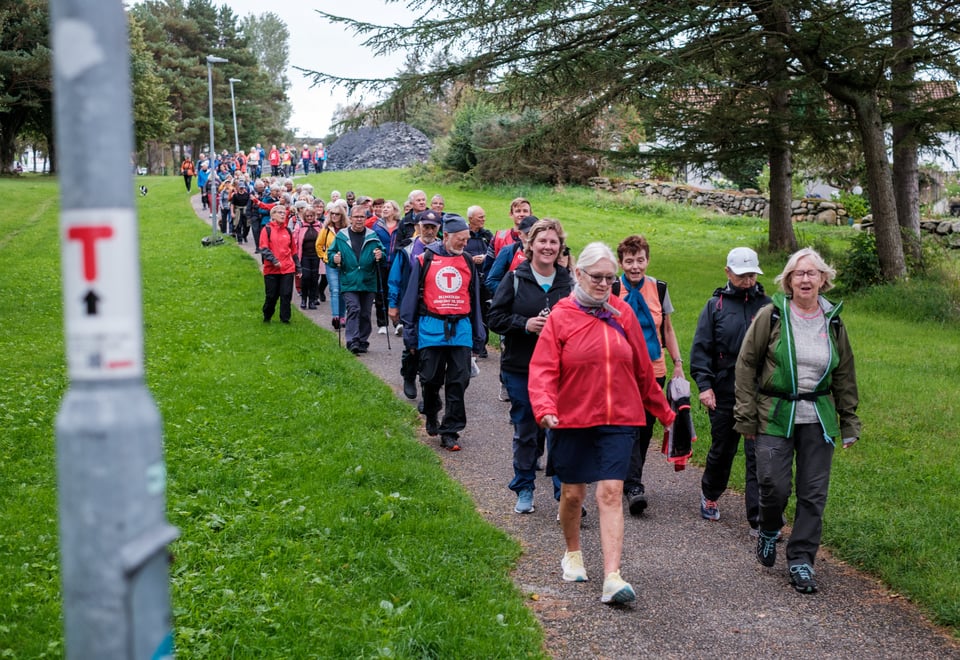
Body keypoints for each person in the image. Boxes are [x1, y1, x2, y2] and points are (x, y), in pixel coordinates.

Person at [528, 242, 675, 605]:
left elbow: (643, 372)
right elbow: (543, 369)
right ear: (579, 274)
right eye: (597, 277)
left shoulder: (623, 314)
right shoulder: (561, 316)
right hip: (573, 417)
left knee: (610, 492)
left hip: (620, 417)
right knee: (573, 494)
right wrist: (544, 407)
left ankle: (612, 576)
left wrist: (667, 415)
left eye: (610, 278)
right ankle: (573, 552)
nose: (604, 284)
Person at [735, 247, 859, 594]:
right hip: (774, 413)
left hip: (818, 417)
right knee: (773, 486)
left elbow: (845, 374)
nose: (805, 279)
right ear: (788, 280)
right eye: (798, 273)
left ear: (823, 279)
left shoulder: (833, 320)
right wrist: (746, 414)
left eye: (812, 273)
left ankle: (802, 560)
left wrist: (849, 421)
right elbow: (746, 364)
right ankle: (769, 528)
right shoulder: (772, 315)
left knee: (813, 493)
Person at [488, 219, 573, 514]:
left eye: (553, 242)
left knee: (559, 432)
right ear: (531, 245)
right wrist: (524, 324)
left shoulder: (569, 283)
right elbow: (494, 318)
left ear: (560, 247)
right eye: (542, 241)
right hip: (521, 368)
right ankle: (524, 487)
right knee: (526, 431)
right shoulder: (515, 278)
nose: (548, 247)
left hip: (560, 371)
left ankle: (565, 495)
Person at [689, 247, 771, 529]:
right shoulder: (716, 306)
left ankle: (759, 518)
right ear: (728, 272)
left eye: (752, 275)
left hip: (759, 392)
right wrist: (705, 386)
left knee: (758, 454)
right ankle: (710, 494)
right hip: (725, 389)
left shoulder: (768, 306)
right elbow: (701, 349)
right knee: (723, 449)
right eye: (741, 275)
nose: (747, 281)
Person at [400, 215, 485, 451]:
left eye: (467, 239)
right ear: (446, 236)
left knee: (459, 381)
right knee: (429, 379)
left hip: (461, 329)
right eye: (461, 239)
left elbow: (475, 300)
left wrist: (478, 336)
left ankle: (450, 430)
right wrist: (410, 335)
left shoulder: (467, 261)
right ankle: (431, 411)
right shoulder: (424, 259)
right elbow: (411, 299)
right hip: (431, 328)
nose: (465, 244)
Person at [615, 235, 685, 516]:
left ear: (648, 260)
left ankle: (630, 478)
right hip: (622, 369)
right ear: (621, 262)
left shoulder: (659, 288)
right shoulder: (612, 288)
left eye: (640, 260)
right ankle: (634, 486)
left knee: (645, 428)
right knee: (629, 426)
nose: (635, 266)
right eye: (629, 261)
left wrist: (678, 363)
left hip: (654, 369)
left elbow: (667, 329)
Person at [388, 210, 442, 400]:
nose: (429, 231)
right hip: (411, 305)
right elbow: (395, 279)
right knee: (412, 345)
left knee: (433, 347)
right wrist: (393, 304)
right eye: (426, 227)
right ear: (418, 227)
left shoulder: (443, 249)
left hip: (435, 307)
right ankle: (409, 376)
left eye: (433, 227)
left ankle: (429, 384)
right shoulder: (407, 250)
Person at [327, 205, 384, 354]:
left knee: (365, 313)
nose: (359, 220)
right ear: (350, 218)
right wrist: (334, 258)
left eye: (362, 217)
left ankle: (362, 340)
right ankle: (352, 340)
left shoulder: (372, 235)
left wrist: (380, 255)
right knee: (354, 308)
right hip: (349, 280)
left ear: (366, 218)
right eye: (356, 217)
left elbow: (382, 253)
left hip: (368, 280)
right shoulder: (341, 236)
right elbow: (331, 254)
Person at [259, 205, 299, 323]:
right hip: (271, 269)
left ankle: (285, 319)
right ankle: (267, 316)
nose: (283, 215)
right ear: (273, 215)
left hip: (287, 268)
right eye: (280, 212)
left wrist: (298, 267)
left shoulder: (288, 231)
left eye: (284, 213)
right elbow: (264, 248)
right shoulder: (267, 230)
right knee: (272, 296)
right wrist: (274, 260)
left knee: (286, 294)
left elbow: (293, 250)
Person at [465, 205, 493, 358]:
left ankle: (482, 344)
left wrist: (485, 258)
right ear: (470, 219)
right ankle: (470, 342)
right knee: (469, 311)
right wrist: (470, 259)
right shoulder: (464, 234)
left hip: (484, 280)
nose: (484, 219)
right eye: (480, 217)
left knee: (484, 311)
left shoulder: (487, 235)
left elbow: (495, 253)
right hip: (468, 280)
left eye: (484, 216)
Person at [318, 201, 348, 329]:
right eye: (332, 214)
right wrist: (325, 258)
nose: (334, 216)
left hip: (345, 265)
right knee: (334, 289)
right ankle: (335, 316)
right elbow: (319, 245)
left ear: (342, 216)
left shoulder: (347, 230)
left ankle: (342, 316)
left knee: (343, 290)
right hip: (331, 264)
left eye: (337, 214)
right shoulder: (326, 229)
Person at [294, 207, 323, 309]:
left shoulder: (319, 225)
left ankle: (312, 300)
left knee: (314, 279)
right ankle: (303, 299)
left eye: (311, 216)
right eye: (307, 216)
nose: (309, 218)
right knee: (305, 278)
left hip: (316, 256)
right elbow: (295, 240)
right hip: (304, 256)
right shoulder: (300, 225)